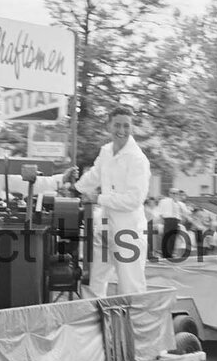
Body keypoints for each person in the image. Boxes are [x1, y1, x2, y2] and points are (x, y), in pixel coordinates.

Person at [74, 105, 152, 297]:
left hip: (129, 232)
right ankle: (95, 324)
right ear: (109, 125)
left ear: (132, 128)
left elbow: (133, 200)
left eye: (126, 126)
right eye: (117, 125)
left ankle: (135, 325)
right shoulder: (106, 151)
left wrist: (98, 198)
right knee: (96, 282)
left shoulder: (138, 160)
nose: (122, 130)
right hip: (105, 227)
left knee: (130, 287)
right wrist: (74, 187)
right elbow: (94, 175)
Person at [156, 188, 185, 260]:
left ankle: (170, 253)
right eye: (172, 193)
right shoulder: (163, 201)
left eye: (176, 193)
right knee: (166, 237)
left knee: (173, 238)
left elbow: (185, 213)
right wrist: (162, 220)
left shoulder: (180, 204)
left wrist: (178, 203)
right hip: (168, 220)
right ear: (169, 193)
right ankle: (165, 254)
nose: (174, 195)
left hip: (176, 221)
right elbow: (159, 212)